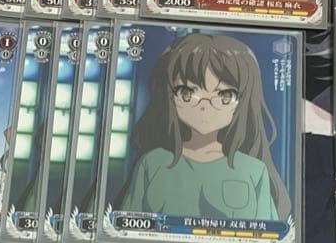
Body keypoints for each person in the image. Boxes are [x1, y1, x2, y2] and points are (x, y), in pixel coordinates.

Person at [117, 33, 292, 222]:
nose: (204, 106)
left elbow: (268, 232)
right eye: (187, 93)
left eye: (224, 96)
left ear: (242, 102)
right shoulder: (153, 163)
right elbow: (126, 225)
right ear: (169, 96)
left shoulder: (253, 170)